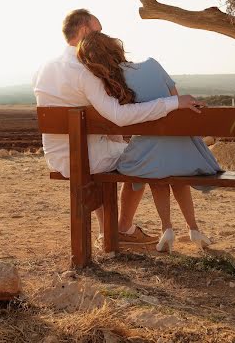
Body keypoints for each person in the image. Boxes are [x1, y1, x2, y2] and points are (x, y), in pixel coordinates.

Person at [33, 9, 205, 247]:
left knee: (113, 146)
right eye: (99, 30)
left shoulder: (45, 67)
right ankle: (123, 227)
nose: (103, 35)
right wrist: (174, 102)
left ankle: (108, 230)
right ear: (84, 31)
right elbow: (119, 116)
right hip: (87, 158)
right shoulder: (86, 70)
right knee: (141, 157)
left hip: (58, 156)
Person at [77, 31, 221, 253]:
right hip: (185, 150)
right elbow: (176, 101)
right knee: (172, 167)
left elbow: (124, 121)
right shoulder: (153, 64)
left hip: (151, 156)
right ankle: (193, 228)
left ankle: (167, 228)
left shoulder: (113, 84)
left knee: (154, 167)